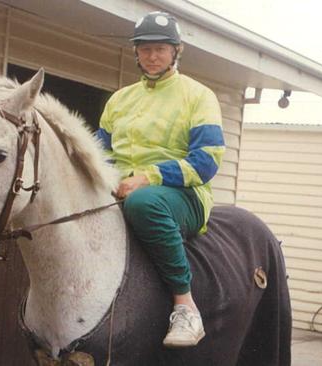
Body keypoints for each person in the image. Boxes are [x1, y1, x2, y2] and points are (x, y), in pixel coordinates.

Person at [97, 11, 225, 347]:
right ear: (136, 52)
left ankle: (185, 306)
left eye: (161, 49)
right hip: (123, 188)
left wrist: (148, 177)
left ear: (176, 51)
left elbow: (206, 161)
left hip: (182, 195)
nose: (152, 56)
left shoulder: (199, 96)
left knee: (143, 201)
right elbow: (99, 154)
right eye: (145, 49)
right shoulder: (119, 100)